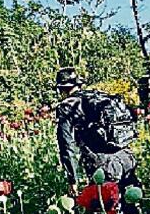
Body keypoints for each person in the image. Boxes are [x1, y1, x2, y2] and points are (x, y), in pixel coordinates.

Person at [54, 67, 140, 198]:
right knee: (132, 207)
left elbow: (67, 145)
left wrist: (73, 179)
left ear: (61, 89)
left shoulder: (67, 106)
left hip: (104, 165)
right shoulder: (99, 97)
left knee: (109, 210)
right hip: (126, 157)